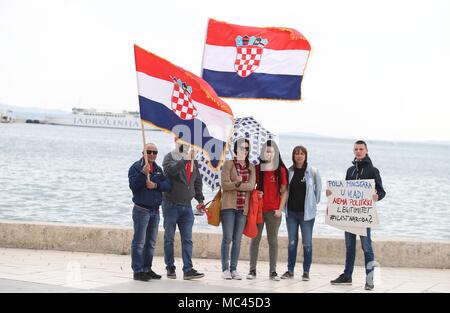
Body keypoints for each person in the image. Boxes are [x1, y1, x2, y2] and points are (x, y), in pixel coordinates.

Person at [329, 140, 386, 290]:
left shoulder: (373, 170)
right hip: (349, 216)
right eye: (356, 149)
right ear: (353, 151)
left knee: (367, 247)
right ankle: (347, 276)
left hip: (363, 216)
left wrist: (377, 197)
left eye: (361, 149)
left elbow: (382, 191)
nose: (358, 151)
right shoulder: (350, 170)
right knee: (349, 247)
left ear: (366, 151)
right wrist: (332, 194)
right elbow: (344, 191)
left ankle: (370, 279)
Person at [162, 138, 205, 280]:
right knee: (169, 238)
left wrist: (200, 199)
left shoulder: (194, 161)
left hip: (187, 206)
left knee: (187, 239)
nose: (185, 145)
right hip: (171, 204)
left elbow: (197, 182)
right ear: (175, 141)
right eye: (182, 142)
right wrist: (185, 160)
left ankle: (188, 269)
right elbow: (171, 171)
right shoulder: (169, 157)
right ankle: (170, 267)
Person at [128, 143, 171, 281]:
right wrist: (143, 174)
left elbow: (167, 185)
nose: (152, 154)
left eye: (155, 152)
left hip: (155, 211)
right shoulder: (136, 167)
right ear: (143, 153)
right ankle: (138, 271)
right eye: (149, 152)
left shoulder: (158, 169)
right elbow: (133, 186)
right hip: (141, 210)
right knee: (139, 242)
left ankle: (147, 268)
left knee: (151, 243)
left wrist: (156, 185)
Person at [247, 140, 288, 281]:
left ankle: (273, 271)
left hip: (273, 212)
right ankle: (252, 270)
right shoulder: (258, 168)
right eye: (266, 151)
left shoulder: (280, 170)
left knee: (273, 241)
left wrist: (280, 209)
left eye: (270, 151)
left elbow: (284, 192)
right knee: (255, 239)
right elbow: (252, 187)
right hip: (259, 210)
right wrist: (257, 193)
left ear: (275, 153)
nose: (268, 153)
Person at [281, 146, 322, 281]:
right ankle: (290, 270)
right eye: (296, 154)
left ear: (305, 156)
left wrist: (312, 205)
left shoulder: (313, 172)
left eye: (302, 153)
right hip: (291, 213)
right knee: (292, 242)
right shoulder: (289, 171)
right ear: (293, 156)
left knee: (307, 243)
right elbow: (284, 190)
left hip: (307, 215)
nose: (299, 156)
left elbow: (318, 192)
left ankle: (306, 272)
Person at [220, 138, 256, 280]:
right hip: (229, 206)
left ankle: (234, 269)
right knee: (227, 238)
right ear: (236, 149)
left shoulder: (251, 167)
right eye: (241, 148)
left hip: (243, 208)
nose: (244, 151)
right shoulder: (229, 164)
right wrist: (238, 183)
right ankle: (225, 269)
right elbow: (225, 185)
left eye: (247, 148)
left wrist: (236, 184)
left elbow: (251, 186)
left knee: (237, 239)